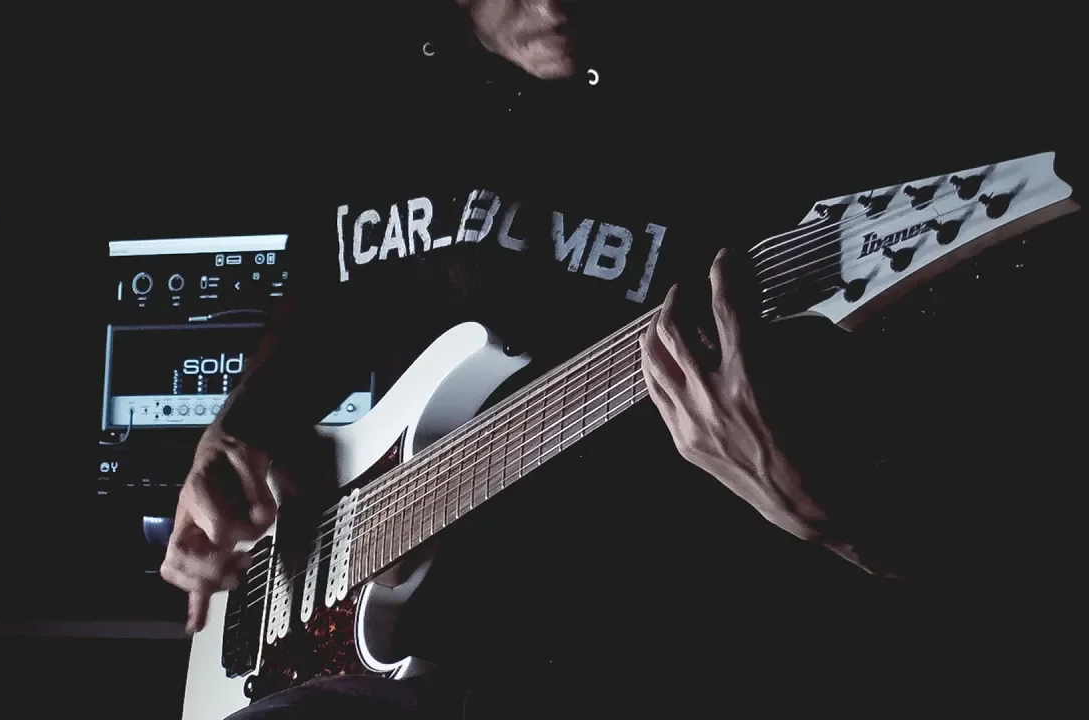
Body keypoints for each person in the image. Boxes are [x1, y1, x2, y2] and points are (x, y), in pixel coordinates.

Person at [164, 1, 1085, 715]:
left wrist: (839, 518)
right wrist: (239, 425)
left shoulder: (768, 108)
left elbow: (1016, 563)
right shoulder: (363, 100)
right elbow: (326, 301)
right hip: (383, 664)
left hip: (651, 661)